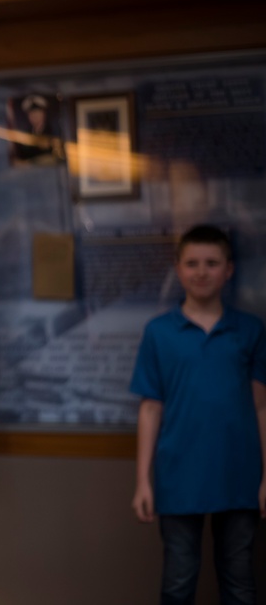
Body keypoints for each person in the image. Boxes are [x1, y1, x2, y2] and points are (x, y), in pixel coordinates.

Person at [130, 224, 266, 605]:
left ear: (229, 269)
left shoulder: (250, 330)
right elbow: (150, 407)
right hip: (178, 475)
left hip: (239, 473)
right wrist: (143, 481)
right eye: (192, 263)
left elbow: (262, 405)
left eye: (212, 263)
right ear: (177, 268)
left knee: (239, 579)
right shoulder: (159, 332)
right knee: (178, 580)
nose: (201, 271)